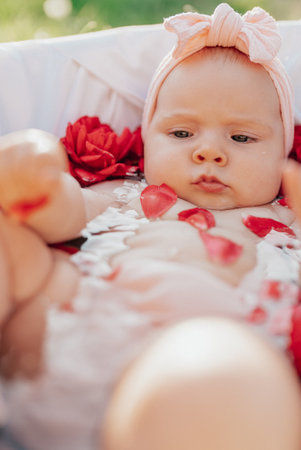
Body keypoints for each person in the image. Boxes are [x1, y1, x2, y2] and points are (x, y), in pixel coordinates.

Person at [1, 3, 301, 449]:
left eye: (241, 137)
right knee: (12, 245)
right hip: (67, 329)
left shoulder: (287, 218)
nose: (209, 153)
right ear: (147, 139)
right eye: (181, 134)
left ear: (285, 148)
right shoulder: (126, 192)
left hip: (199, 371)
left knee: (225, 379)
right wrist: (38, 183)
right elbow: (67, 211)